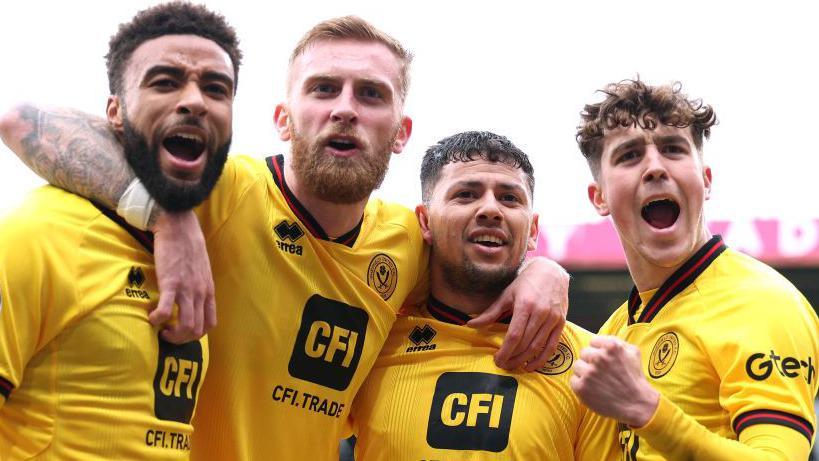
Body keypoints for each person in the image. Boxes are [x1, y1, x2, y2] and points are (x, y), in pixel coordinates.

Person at [0, 15, 569, 460]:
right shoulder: (224, 191)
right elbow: (22, 119)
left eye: (370, 95)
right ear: (284, 119)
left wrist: (543, 271)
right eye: (323, 89)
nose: (344, 109)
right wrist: (168, 216)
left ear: (401, 133)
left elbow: (477, 257)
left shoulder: (404, 243)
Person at [0, 3, 241, 459]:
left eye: (216, 88)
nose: (194, 101)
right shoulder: (39, 236)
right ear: (114, 112)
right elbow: (15, 118)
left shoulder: (212, 232)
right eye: (164, 82)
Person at [569, 79, 819, 460]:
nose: (655, 167)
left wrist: (648, 411)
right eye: (630, 155)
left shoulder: (763, 303)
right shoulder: (614, 331)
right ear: (599, 196)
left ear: (705, 181)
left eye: (673, 149)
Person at [352, 131, 619, 460]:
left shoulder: (589, 364)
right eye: (466, 194)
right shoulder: (372, 339)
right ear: (424, 221)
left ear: (532, 231)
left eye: (509, 198)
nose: (491, 210)